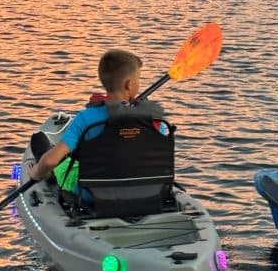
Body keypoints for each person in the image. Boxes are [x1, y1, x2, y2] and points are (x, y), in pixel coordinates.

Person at [28, 50, 172, 210]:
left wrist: (35, 174)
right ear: (129, 84)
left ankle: (45, 173)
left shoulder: (86, 118)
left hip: (93, 195)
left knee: (40, 142)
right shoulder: (154, 119)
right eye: (138, 79)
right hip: (149, 193)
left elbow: (50, 161)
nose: (139, 84)